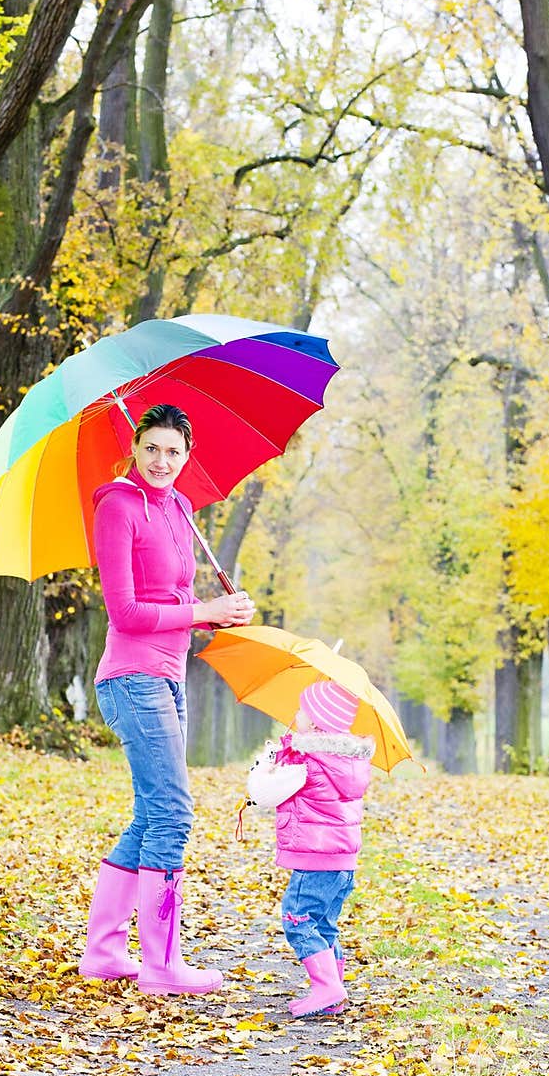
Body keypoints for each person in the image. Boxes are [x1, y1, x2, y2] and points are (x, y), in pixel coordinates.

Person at [77, 401, 255, 996]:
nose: (161, 460)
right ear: (134, 448)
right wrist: (202, 611)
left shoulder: (181, 508)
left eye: (173, 451)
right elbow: (125, 613)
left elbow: (176, 601)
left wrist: (222, 614)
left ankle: (104, 953)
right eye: (150, 448)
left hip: (170, 677)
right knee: (174, 814)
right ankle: (161, 965)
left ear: (187, 455)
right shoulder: (117, 508)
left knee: (150, 816)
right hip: (131, 679)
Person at [246, 679, 375, 1017]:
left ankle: (328, 988)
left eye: (302, 709)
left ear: (317, 721)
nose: (296, 714)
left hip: (315, 860)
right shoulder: (345, 760)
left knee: (298, 920)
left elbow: (262, 794)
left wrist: (267, 763)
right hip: (341, 863)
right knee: (324, 925)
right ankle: (333, 993)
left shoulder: (307, 760)